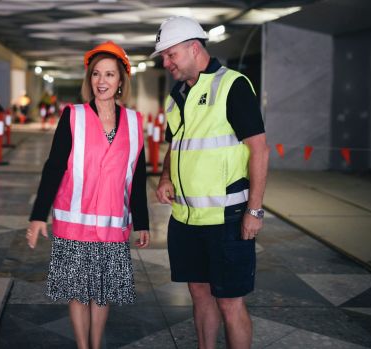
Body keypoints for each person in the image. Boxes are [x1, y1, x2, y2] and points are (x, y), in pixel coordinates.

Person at [152, 16, 269, 349]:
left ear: (194, 48)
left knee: (229, 302)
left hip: (227, 218)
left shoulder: (232, 85)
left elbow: (258, 150)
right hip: (186, 219)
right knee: (199, 294)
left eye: (171, 54)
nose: (166, 62)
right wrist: (164, 177)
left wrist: (255, 211)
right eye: (163, 56)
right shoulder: (175, 96)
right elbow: (175, 145)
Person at [27, 41, 150, 349]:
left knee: (104, 291)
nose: (102, 81)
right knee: (78, 291)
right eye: (96, 74)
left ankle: (96, 345)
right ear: (89, 79)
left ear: (121, 80)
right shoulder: (73, 116)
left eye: (110, 74)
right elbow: (53, 168)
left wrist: (143, 222)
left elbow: (136, 177)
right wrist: (37, 216)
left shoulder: (135, 123)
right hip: (74, 224)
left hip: (112, 226)